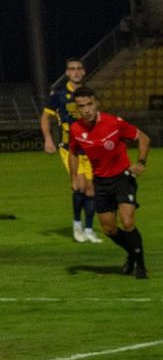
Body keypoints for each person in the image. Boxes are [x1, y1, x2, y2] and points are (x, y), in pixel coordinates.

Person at [65, 88, 151, 278]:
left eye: (89, 104)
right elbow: (73, 153)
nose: (86, 109)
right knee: (109, 229)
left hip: (123, 178)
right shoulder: (76, 130)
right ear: (77, 109)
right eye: (82, 106)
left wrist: (141, 162)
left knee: (127, 222)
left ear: (96, 103)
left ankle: (141, 266)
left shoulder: (114, 123)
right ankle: (131, 253)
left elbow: (143, 138)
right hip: (101, 183)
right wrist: (73, 177)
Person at [39, 58, 102, 244]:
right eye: (72, 69)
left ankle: (89, 229)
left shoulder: (89, 94)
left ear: (84, 72)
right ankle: (77, 225)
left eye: (78, 69)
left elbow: (99, 117)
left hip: (89, 149)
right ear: (67, 73)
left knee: (91, 190)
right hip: (70, 148)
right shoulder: (58, 95)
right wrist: (48, 139)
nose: (75, 72)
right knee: (80, 186)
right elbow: (45, 118)